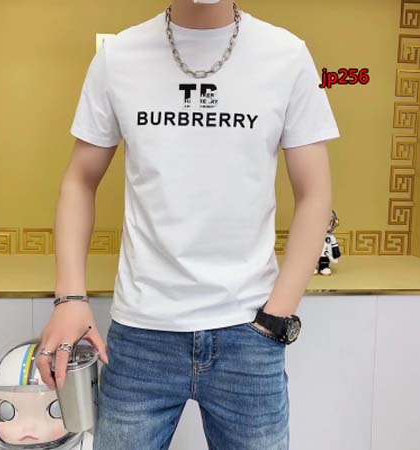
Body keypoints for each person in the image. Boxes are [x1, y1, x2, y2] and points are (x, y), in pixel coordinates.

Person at [36, 0, 340, 449]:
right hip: (142, 335)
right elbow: (80, 180)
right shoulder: (119, 56)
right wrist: (70, 298)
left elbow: (315, 194)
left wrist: (278, 315)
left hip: (249, 332)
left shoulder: (287, 55)